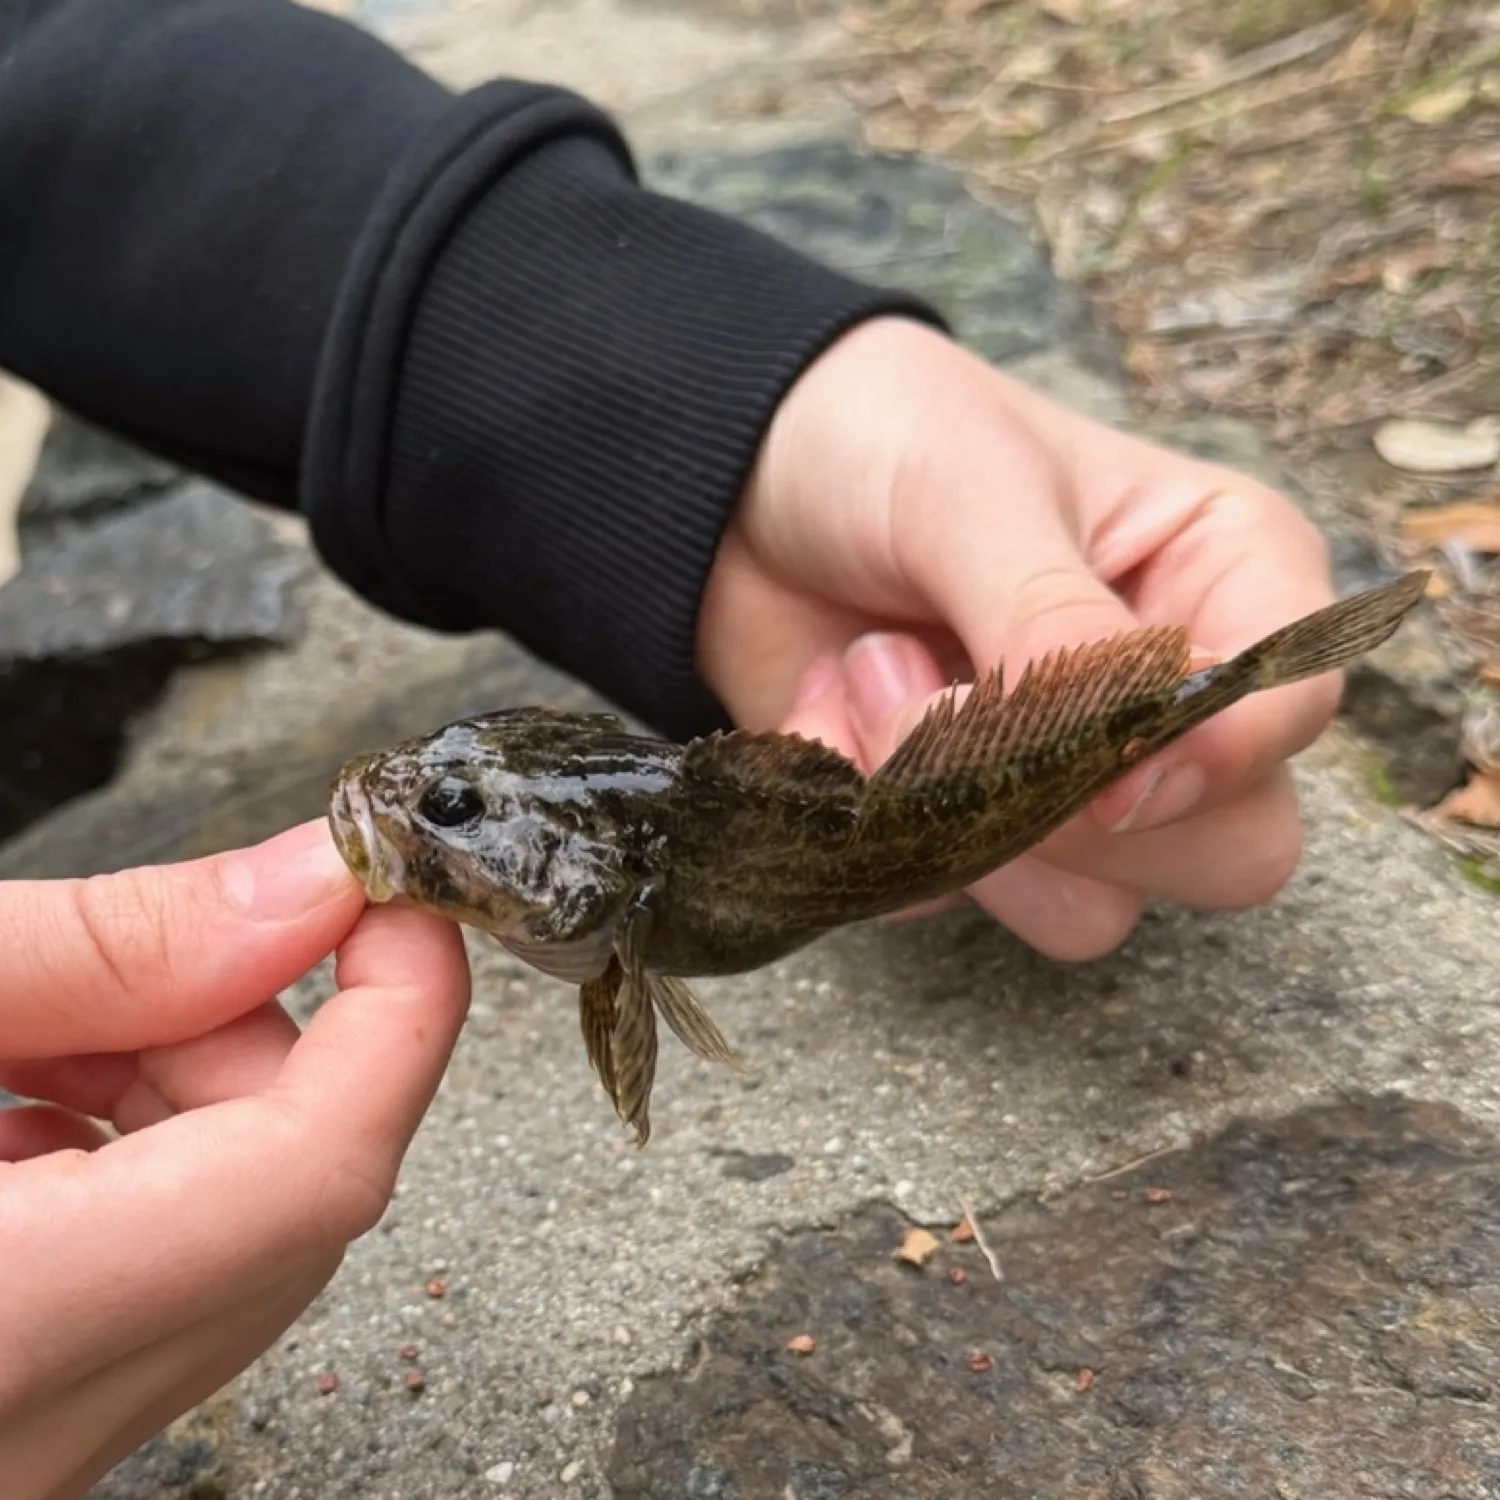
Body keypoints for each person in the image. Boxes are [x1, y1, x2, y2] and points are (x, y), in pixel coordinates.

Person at [0, 1, 1341, 1491]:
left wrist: (723, 406)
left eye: (449, 798)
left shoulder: (624, 884)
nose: (403, 810)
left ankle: (1218, 689)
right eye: (442, 801)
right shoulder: (613, 887)